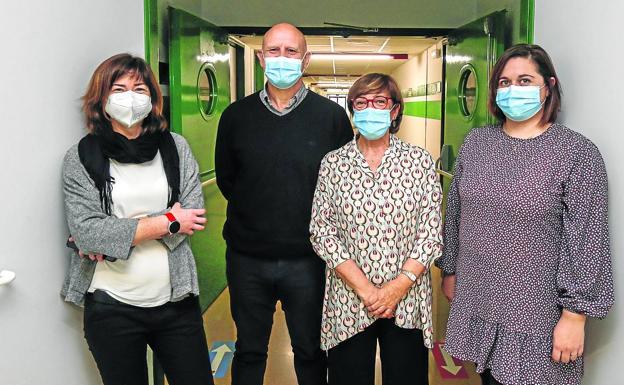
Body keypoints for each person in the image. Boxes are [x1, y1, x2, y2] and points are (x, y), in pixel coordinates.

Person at [435, 44, 614, 385]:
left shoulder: (576, 153)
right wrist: (451, 268)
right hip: (481, 297)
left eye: (524, 80)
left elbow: (587, 241)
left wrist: (575, 316)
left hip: (537, 315)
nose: (512, 89)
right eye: (504, 82)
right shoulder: (477, 143)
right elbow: (456, 211)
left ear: (548, 86)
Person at [61, 53, 214, 385]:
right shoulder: (81, 157)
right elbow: (88, 234)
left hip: (176, 301)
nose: (130, 97)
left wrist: (120, 231)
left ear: (152, 98)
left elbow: (193, 217)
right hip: (111, 306)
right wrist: (167, 220)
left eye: (139, 88)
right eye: (119, 88)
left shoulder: (175, 147)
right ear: (101, 99)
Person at [215, 23, 353, 385]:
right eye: (273, 51)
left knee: (310, 351)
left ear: (306, 59)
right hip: (247, 259)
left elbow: (341, 187)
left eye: (291, 52)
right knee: (249, 351)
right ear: (261, 58)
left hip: (308, 261)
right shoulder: (235, 117)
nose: (282, 58)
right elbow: (230, 181)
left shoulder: (332, 119)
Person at [310, 73, 443, 385]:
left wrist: (397, 287)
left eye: (380, 101)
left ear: (394, 110)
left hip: (406, 299)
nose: (370, 109)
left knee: (406, 377)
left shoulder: (419, 161)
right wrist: (367, 291)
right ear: (352, 110)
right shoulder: (334, 163)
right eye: (361, 102)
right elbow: (321, 230)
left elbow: (431, 230)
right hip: (349, 299)